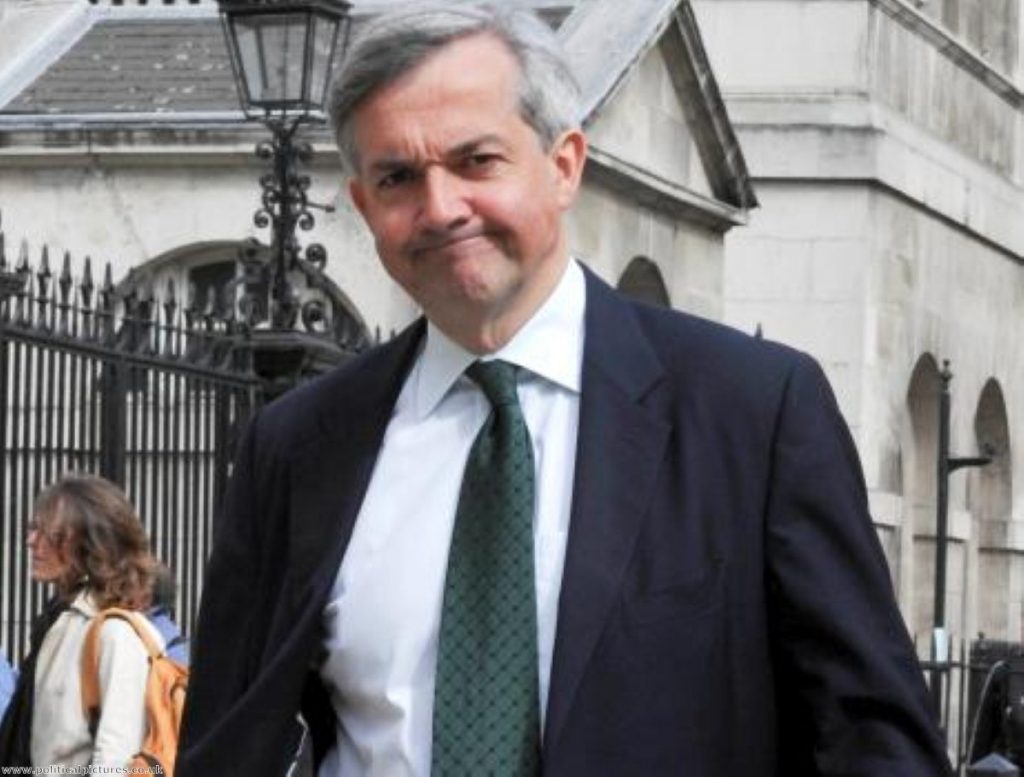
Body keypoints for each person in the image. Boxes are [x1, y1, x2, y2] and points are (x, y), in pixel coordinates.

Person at [178, 3, 951, 775]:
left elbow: (874, 737)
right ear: (362, 206)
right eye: (398, 177)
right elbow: (228, 738)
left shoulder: (754, 412)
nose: (442, 207)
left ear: (565, 165)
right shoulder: (299, 445)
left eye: (477, 161)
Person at [0, 474, 164, 768]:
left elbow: (115, 761)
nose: (31, 541)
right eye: (32, 529)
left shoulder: (116, 634)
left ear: (92, 544)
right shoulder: (59, 623)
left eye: (50, 534)